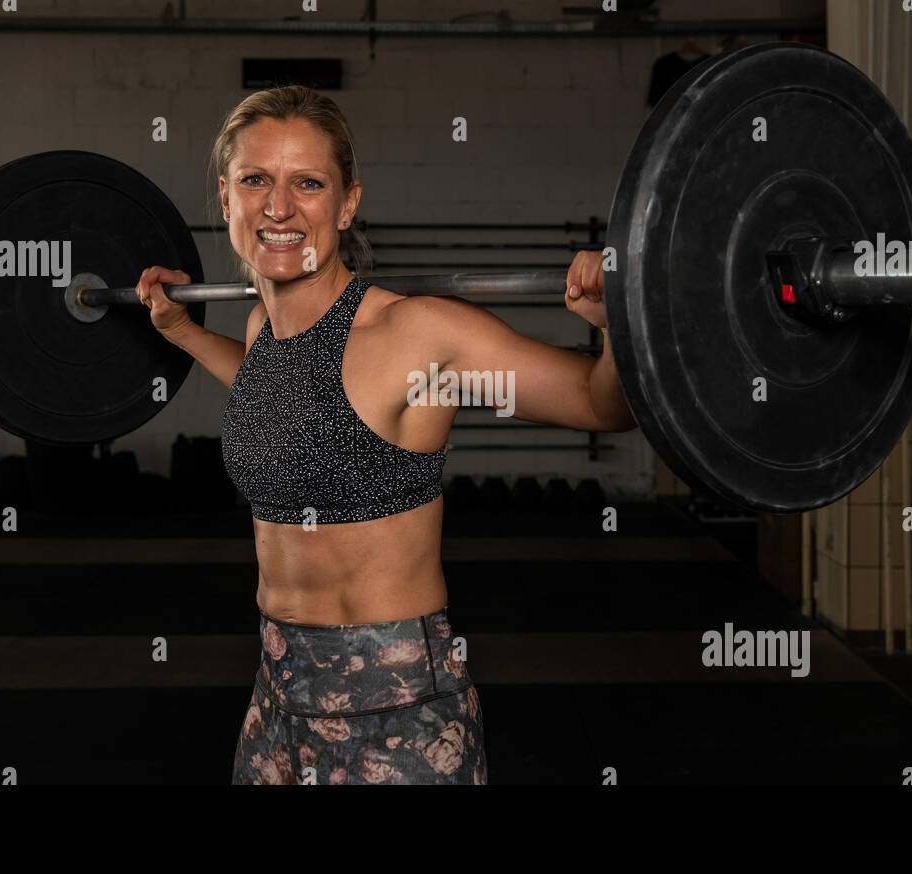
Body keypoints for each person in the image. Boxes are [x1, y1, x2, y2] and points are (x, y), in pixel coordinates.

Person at [135, 85, 635, 785]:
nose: (277, 208)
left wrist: (617, 329)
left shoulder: (416, 336)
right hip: (276, 700)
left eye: (308, 184)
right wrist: (184, 331)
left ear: (346, 204)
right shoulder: (262, 334)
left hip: (398, 715)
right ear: (225, 198)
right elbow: (278, 394)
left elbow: (600, 404)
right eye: (256, 181)